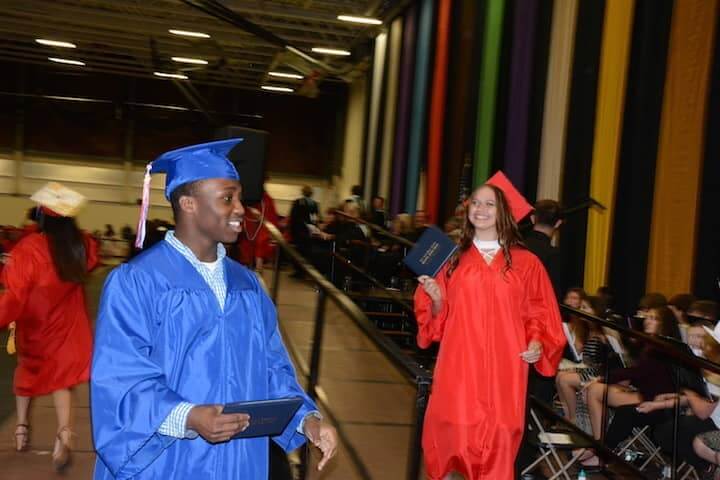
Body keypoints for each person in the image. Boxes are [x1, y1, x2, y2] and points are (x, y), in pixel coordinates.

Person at [91, 139, 337, 480]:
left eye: (239, 197)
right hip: (168, 460)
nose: (240, 208)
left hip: (239, 460)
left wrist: (307, 419)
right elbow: (120, 377)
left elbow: (273, 367)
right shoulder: (137, 282)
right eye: (227, 197)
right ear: (188, 203)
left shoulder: (247, 285)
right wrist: (189, 416)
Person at [414, 180, 566, 480]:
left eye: (489, 203)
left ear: (503, 212)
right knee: (451, 433)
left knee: (500, 436)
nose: (480, 209)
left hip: (505, 368)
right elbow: (433, 325)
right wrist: (437, 301)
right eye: (475, 203)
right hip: (460, 365)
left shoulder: (527, 263)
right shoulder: (451, 260)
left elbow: (538, 310)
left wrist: (536, 341)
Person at [0, 182, 98, 471]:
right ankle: (64, 434)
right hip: (69, 328)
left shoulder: (29, 248)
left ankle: (21, 429)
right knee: (63, 382)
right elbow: (91, 261)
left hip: (36, 326)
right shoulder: (80, 246)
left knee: (26, 374)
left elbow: (15, 295)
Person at [524, 199, 564, 298]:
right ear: (558, 223)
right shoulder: (552, 254)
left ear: (532, 219)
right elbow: (552, 294)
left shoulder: (514, 246)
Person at [288, 185, 320, 278]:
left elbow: (293, 217)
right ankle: (305, 271)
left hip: (298, 230)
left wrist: (291, 230)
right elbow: (315, 217)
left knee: (298, 251)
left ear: (302, 192)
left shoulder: (298, 202)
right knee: (306, 251)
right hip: (309, 231)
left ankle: (298, 271)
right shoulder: (314, 204)